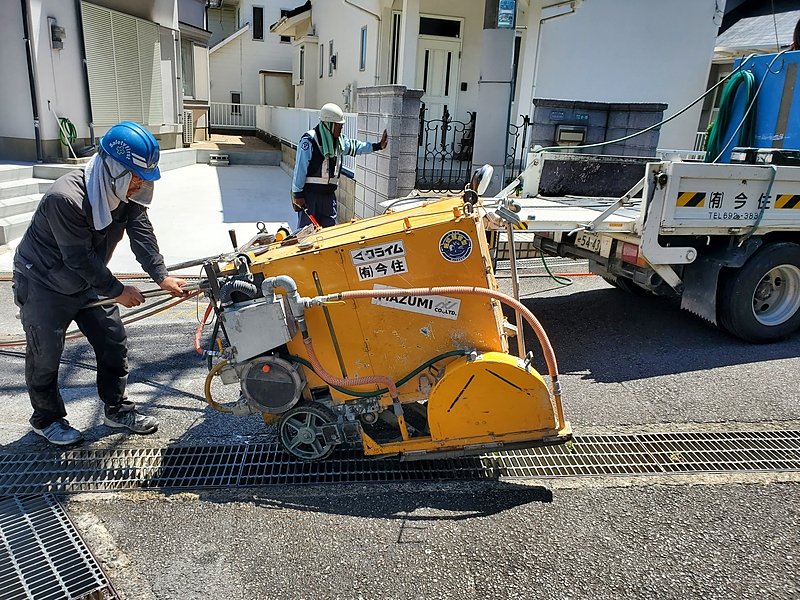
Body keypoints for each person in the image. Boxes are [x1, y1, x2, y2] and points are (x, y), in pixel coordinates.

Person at [12, 121, 188, 446]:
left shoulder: (124, 193)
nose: (139, 185)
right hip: (43, 282)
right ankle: (46, 418)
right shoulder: (65, 198)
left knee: (112, 341)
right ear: (114, 168)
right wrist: (119, 291)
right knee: (46, 354)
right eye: (135, 177)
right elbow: (77, 258)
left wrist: (161, 276)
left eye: (144, 179)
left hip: (87, 280)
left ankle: (116, 409)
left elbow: (142, 234)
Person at [291, 102, 388, 228]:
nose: (341, 128)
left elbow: (356, 146)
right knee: (307, 237)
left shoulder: (339, 142)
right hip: (310, 198)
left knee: (329, 234)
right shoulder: (309, 140)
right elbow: (300, 169)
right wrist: (297, 194)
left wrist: (378, 146)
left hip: (328, 197)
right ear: (329, 124)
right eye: (339, 126)